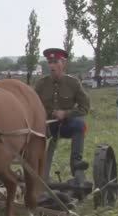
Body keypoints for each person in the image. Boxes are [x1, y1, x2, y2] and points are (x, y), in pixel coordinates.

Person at [35, 48, 90, 183]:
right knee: (31, 133)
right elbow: (32, 105)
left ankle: (77, 167)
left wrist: (66, 113)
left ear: (63, 64)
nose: (52, 65)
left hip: (67, 124)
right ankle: (38, 171)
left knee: (80, 125)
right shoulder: (41, 84)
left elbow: (85, 108)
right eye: (50, 62)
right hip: (46, 125)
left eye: (55, 62)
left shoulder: (73, 83)